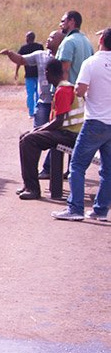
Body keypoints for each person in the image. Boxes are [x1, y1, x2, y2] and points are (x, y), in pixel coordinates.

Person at [53, 28, 111, 221]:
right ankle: (100, 210)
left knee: (77, 165)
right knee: (108, 170)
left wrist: (82, 91)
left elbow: (79, 90)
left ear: (101, 39)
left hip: (95, 121)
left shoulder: (91, 63)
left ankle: (75, 208)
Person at [0, 30, 65, 178]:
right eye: (48, 37)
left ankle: (49, 169)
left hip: (59, 103)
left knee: (57, 140)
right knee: (36, 135)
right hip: (44, 102)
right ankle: (32, 173)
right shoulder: (40, 55)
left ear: (61, 41)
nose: (48, 40)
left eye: (53, 38)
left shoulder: (64, 58)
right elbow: (22, 59)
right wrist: (10, 54)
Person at [18, 59, 83, 200]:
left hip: (70, 135)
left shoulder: (63, 90)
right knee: (25, 136)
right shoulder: (63, 87)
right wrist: (38, 129)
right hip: (66, 132)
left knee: (29, 140)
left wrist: (37, 131)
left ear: (47, 73)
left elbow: (58, 121)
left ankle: (33, 189)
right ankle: (28, 184)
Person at [56, 10, 94, 84]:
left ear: (71, 21)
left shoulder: (68, 42)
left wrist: (63, 90)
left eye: (63, 21)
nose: (60, 24)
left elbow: (64, 70)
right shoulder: (87, 42)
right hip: (83, 91)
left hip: (70, 91)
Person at [17, 31, 45, 118]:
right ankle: (38, 111)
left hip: (29, 75)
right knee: (38, 93)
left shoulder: (23, 48)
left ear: (28, 38)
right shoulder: (39, 47)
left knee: (30, 94)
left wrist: (16, 71)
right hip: (39, 74)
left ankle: (31, 113)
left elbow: (19, 60)